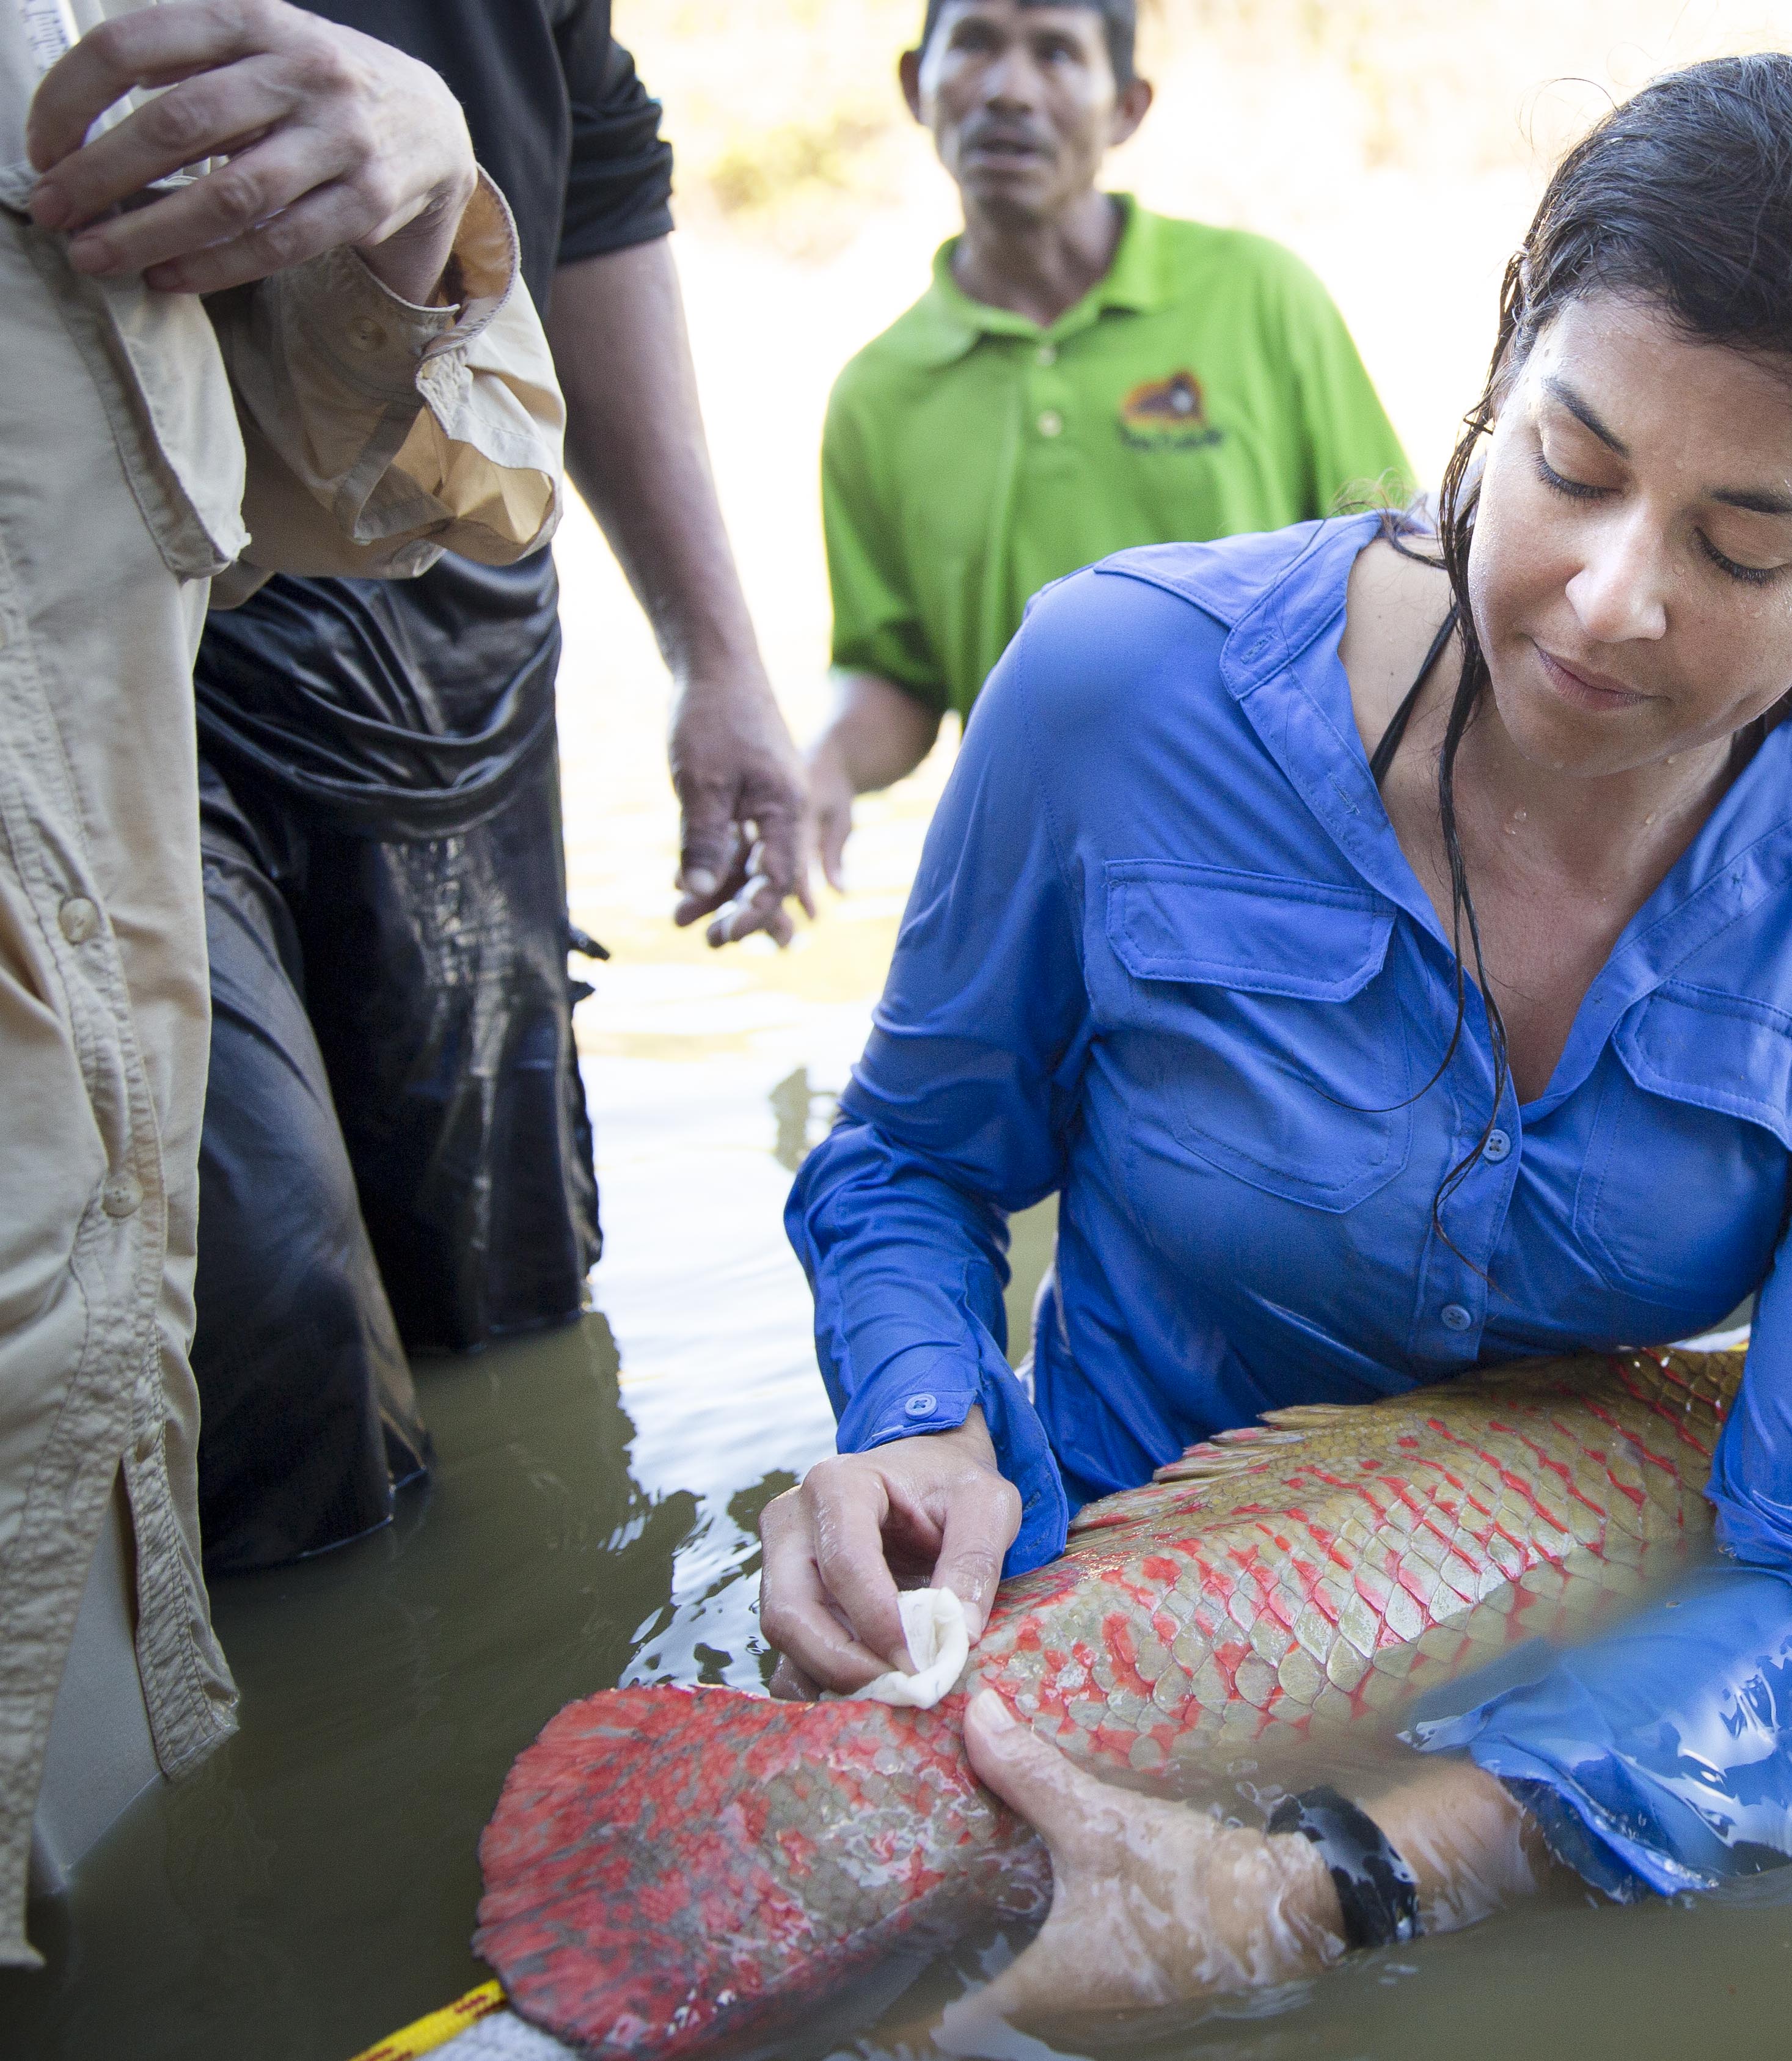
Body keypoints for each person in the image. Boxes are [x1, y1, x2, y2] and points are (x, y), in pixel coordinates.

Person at [764, 50, 1792, 2014]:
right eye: (1571, 462)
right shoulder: (1119, 686)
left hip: (1560, 1749)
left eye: (1739, 543)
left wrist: (1327, 1884)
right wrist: (915, 1429)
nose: (1605, 600)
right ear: (1501, 360)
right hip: (1062, 1636)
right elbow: (910, 1164)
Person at [2, 0, 564, 1963]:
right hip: (185, 809)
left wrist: (413, 211)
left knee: (427, 1312)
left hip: (291, 750)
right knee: (285, 1274)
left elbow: (337, 473)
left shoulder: (73, 54)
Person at [181, 0, 804, 1572]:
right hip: (147, 602)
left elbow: (591, 161)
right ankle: (316, 1778)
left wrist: (714, 654)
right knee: (269, 1286)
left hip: (454, 579)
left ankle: (520, 1694)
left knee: (501, 1283)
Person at [804, 0, 1409, 885]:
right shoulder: (878, 392)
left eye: (1055, 52)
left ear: (1127, 106)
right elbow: (897, 680)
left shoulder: (1259, 298)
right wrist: (818, 765)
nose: (1009, 90)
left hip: (1273, 867)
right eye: (973, 43)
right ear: (914, 84)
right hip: (1035, 884)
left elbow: (1398, 575)